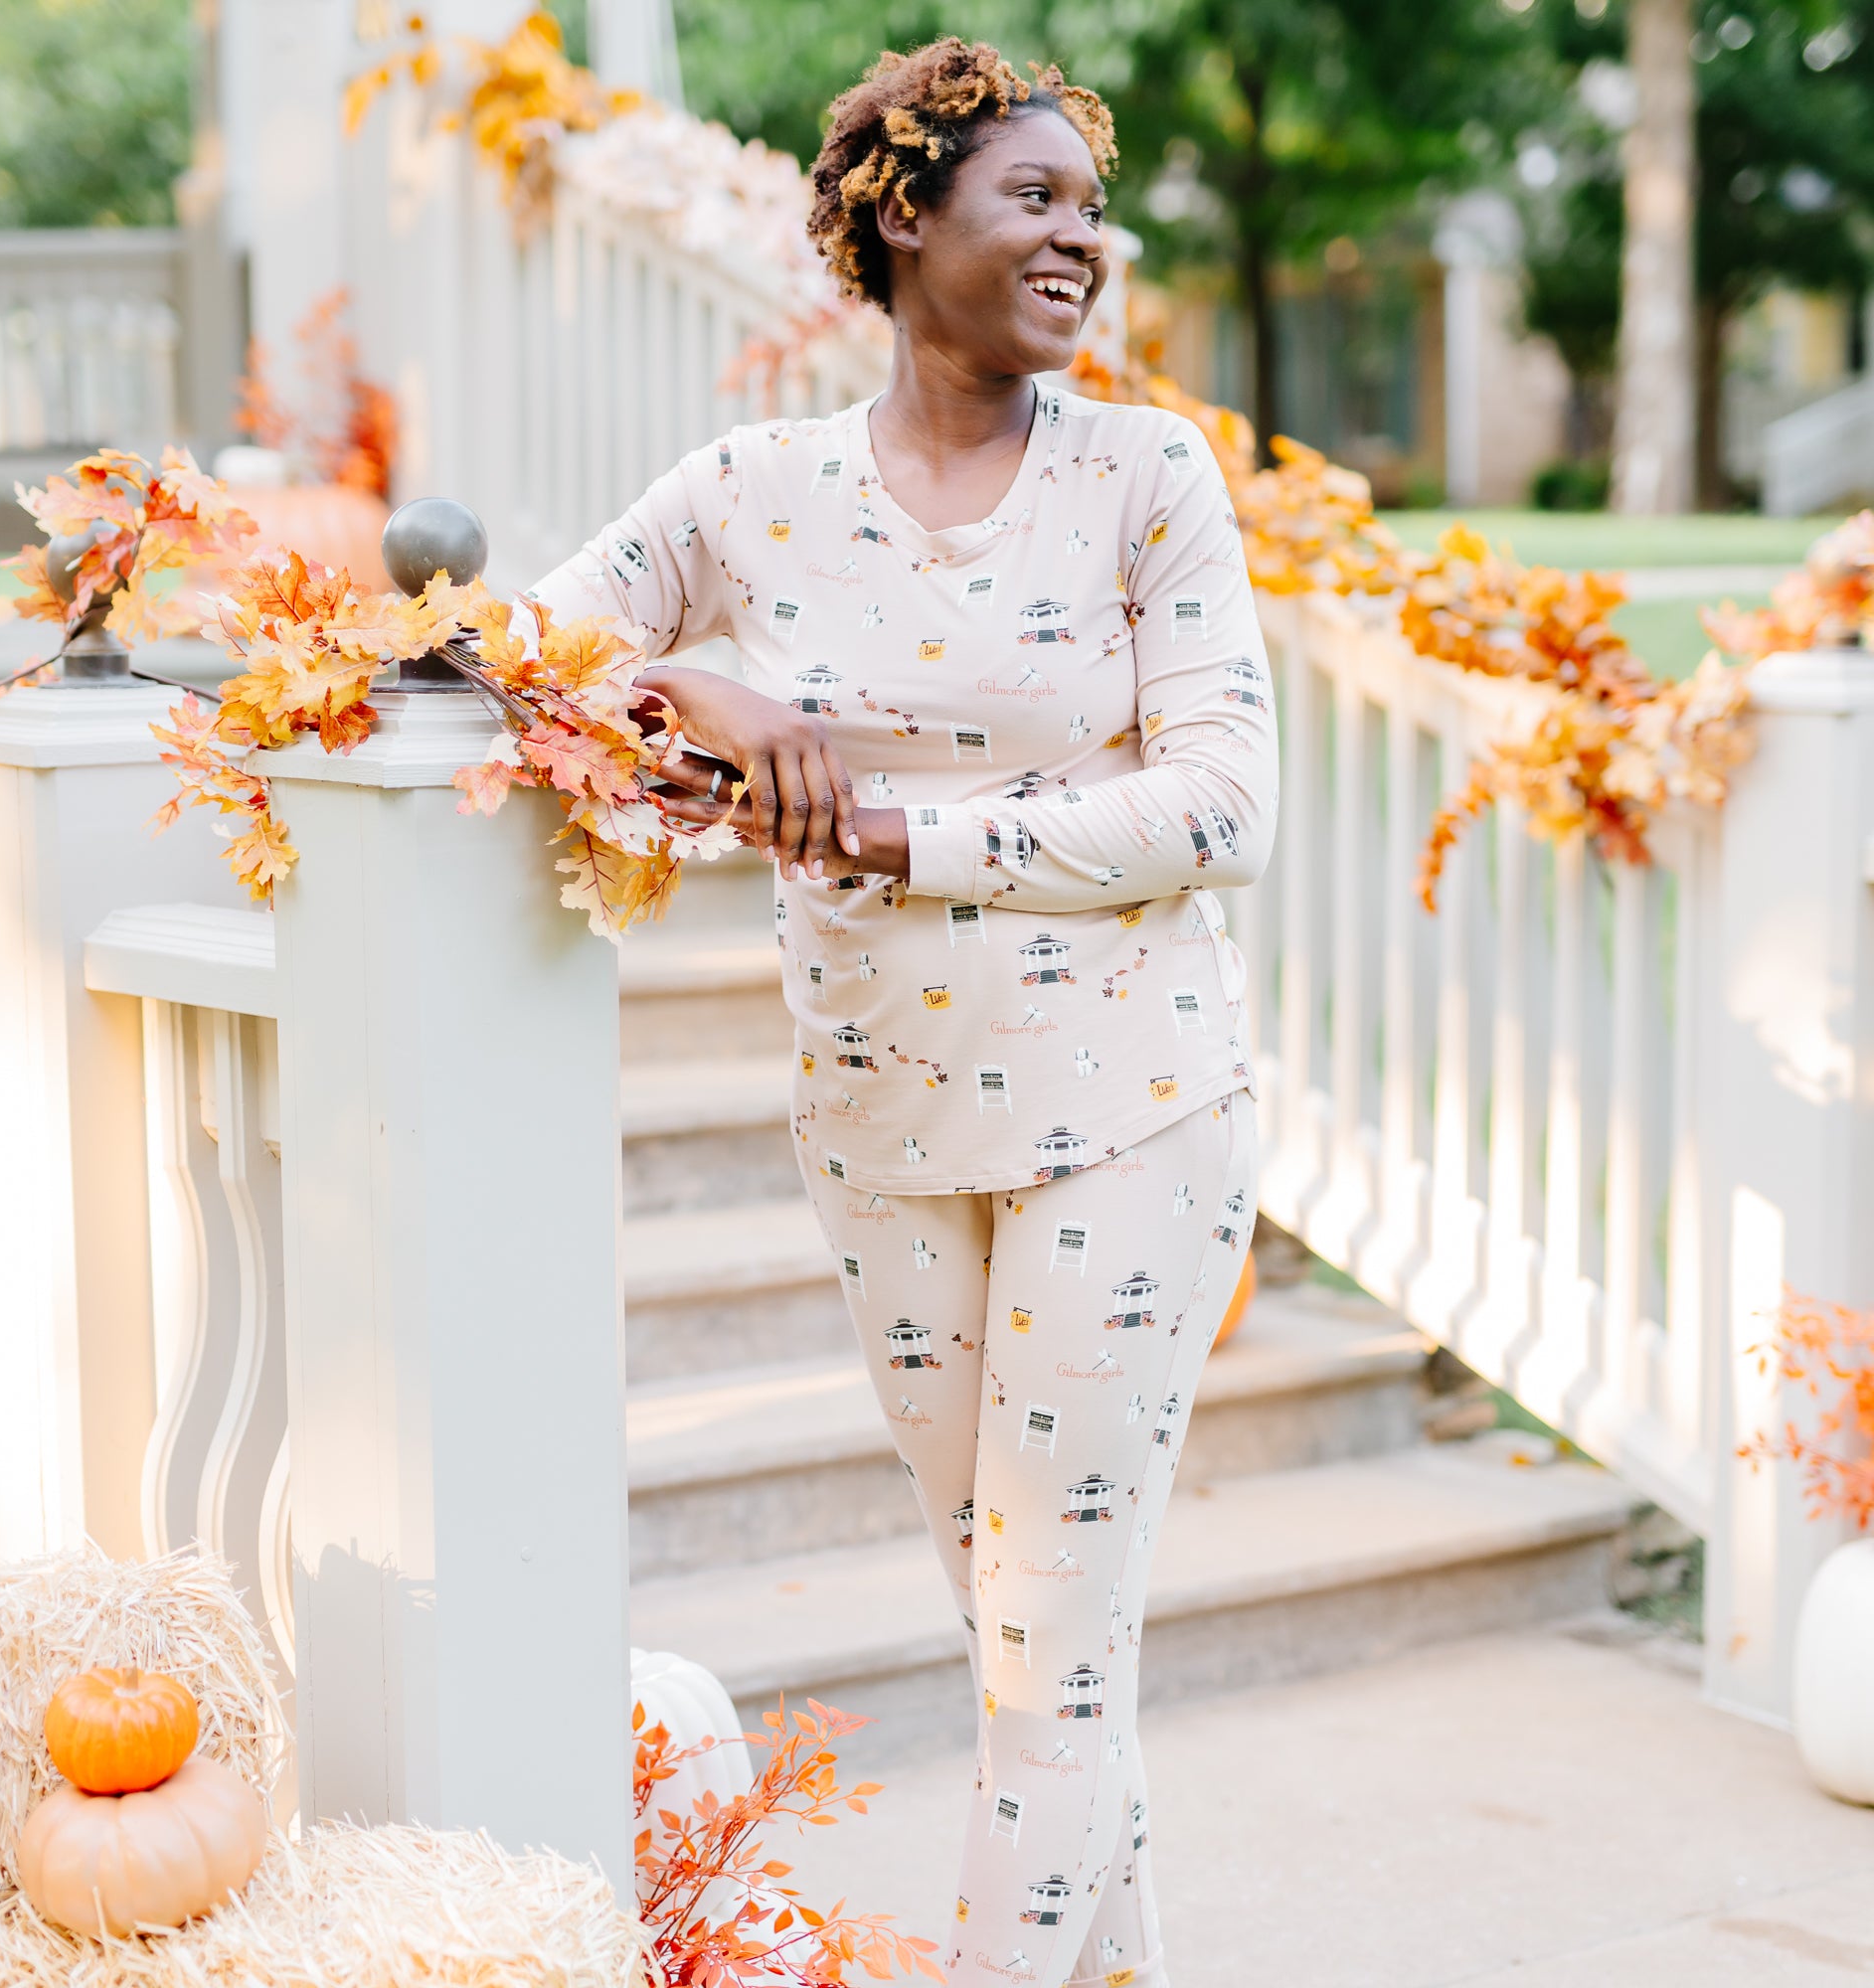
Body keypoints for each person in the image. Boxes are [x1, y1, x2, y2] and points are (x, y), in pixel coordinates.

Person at [528, 37, 1277, 1987]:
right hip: (878, 1132)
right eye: (1032, 198)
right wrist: (692, 687)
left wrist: (897, 835)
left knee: (1043, 1662)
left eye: (1089, 208)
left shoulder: (1146, 475)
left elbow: (1221, 802)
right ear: (900, 218)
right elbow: (503, 668)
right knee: (1038, 1648)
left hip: (1132, 1116)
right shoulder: (747, 494)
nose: (1081, 240)